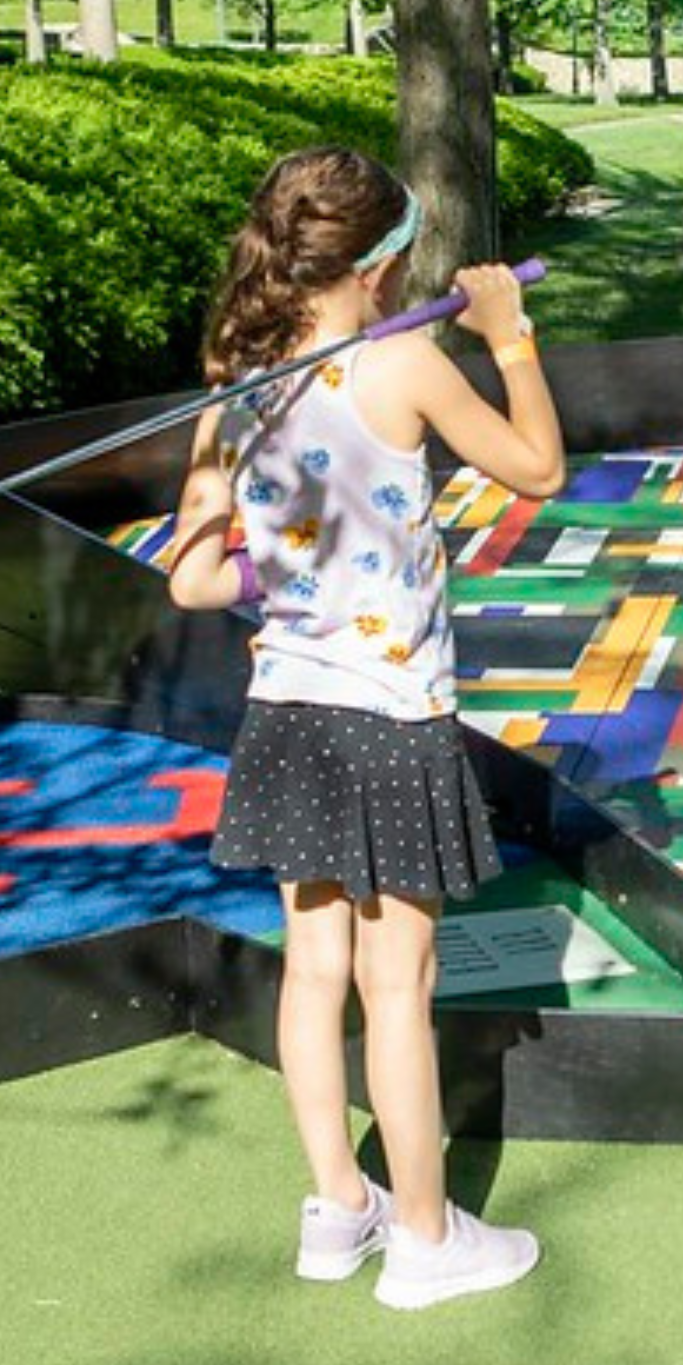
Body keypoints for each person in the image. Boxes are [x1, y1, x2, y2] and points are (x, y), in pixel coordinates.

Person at [165, 146, 566, 1305]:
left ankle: (339, 1209)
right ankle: (428, 1242)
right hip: (392, 715)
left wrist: (282, 584)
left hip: (287, 707)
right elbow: (537, 467)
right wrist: (508, 333)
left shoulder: (231, 372)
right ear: (383, 264)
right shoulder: (407, 362)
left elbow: (194, 583)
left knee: (313, 970)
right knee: (401, 982)